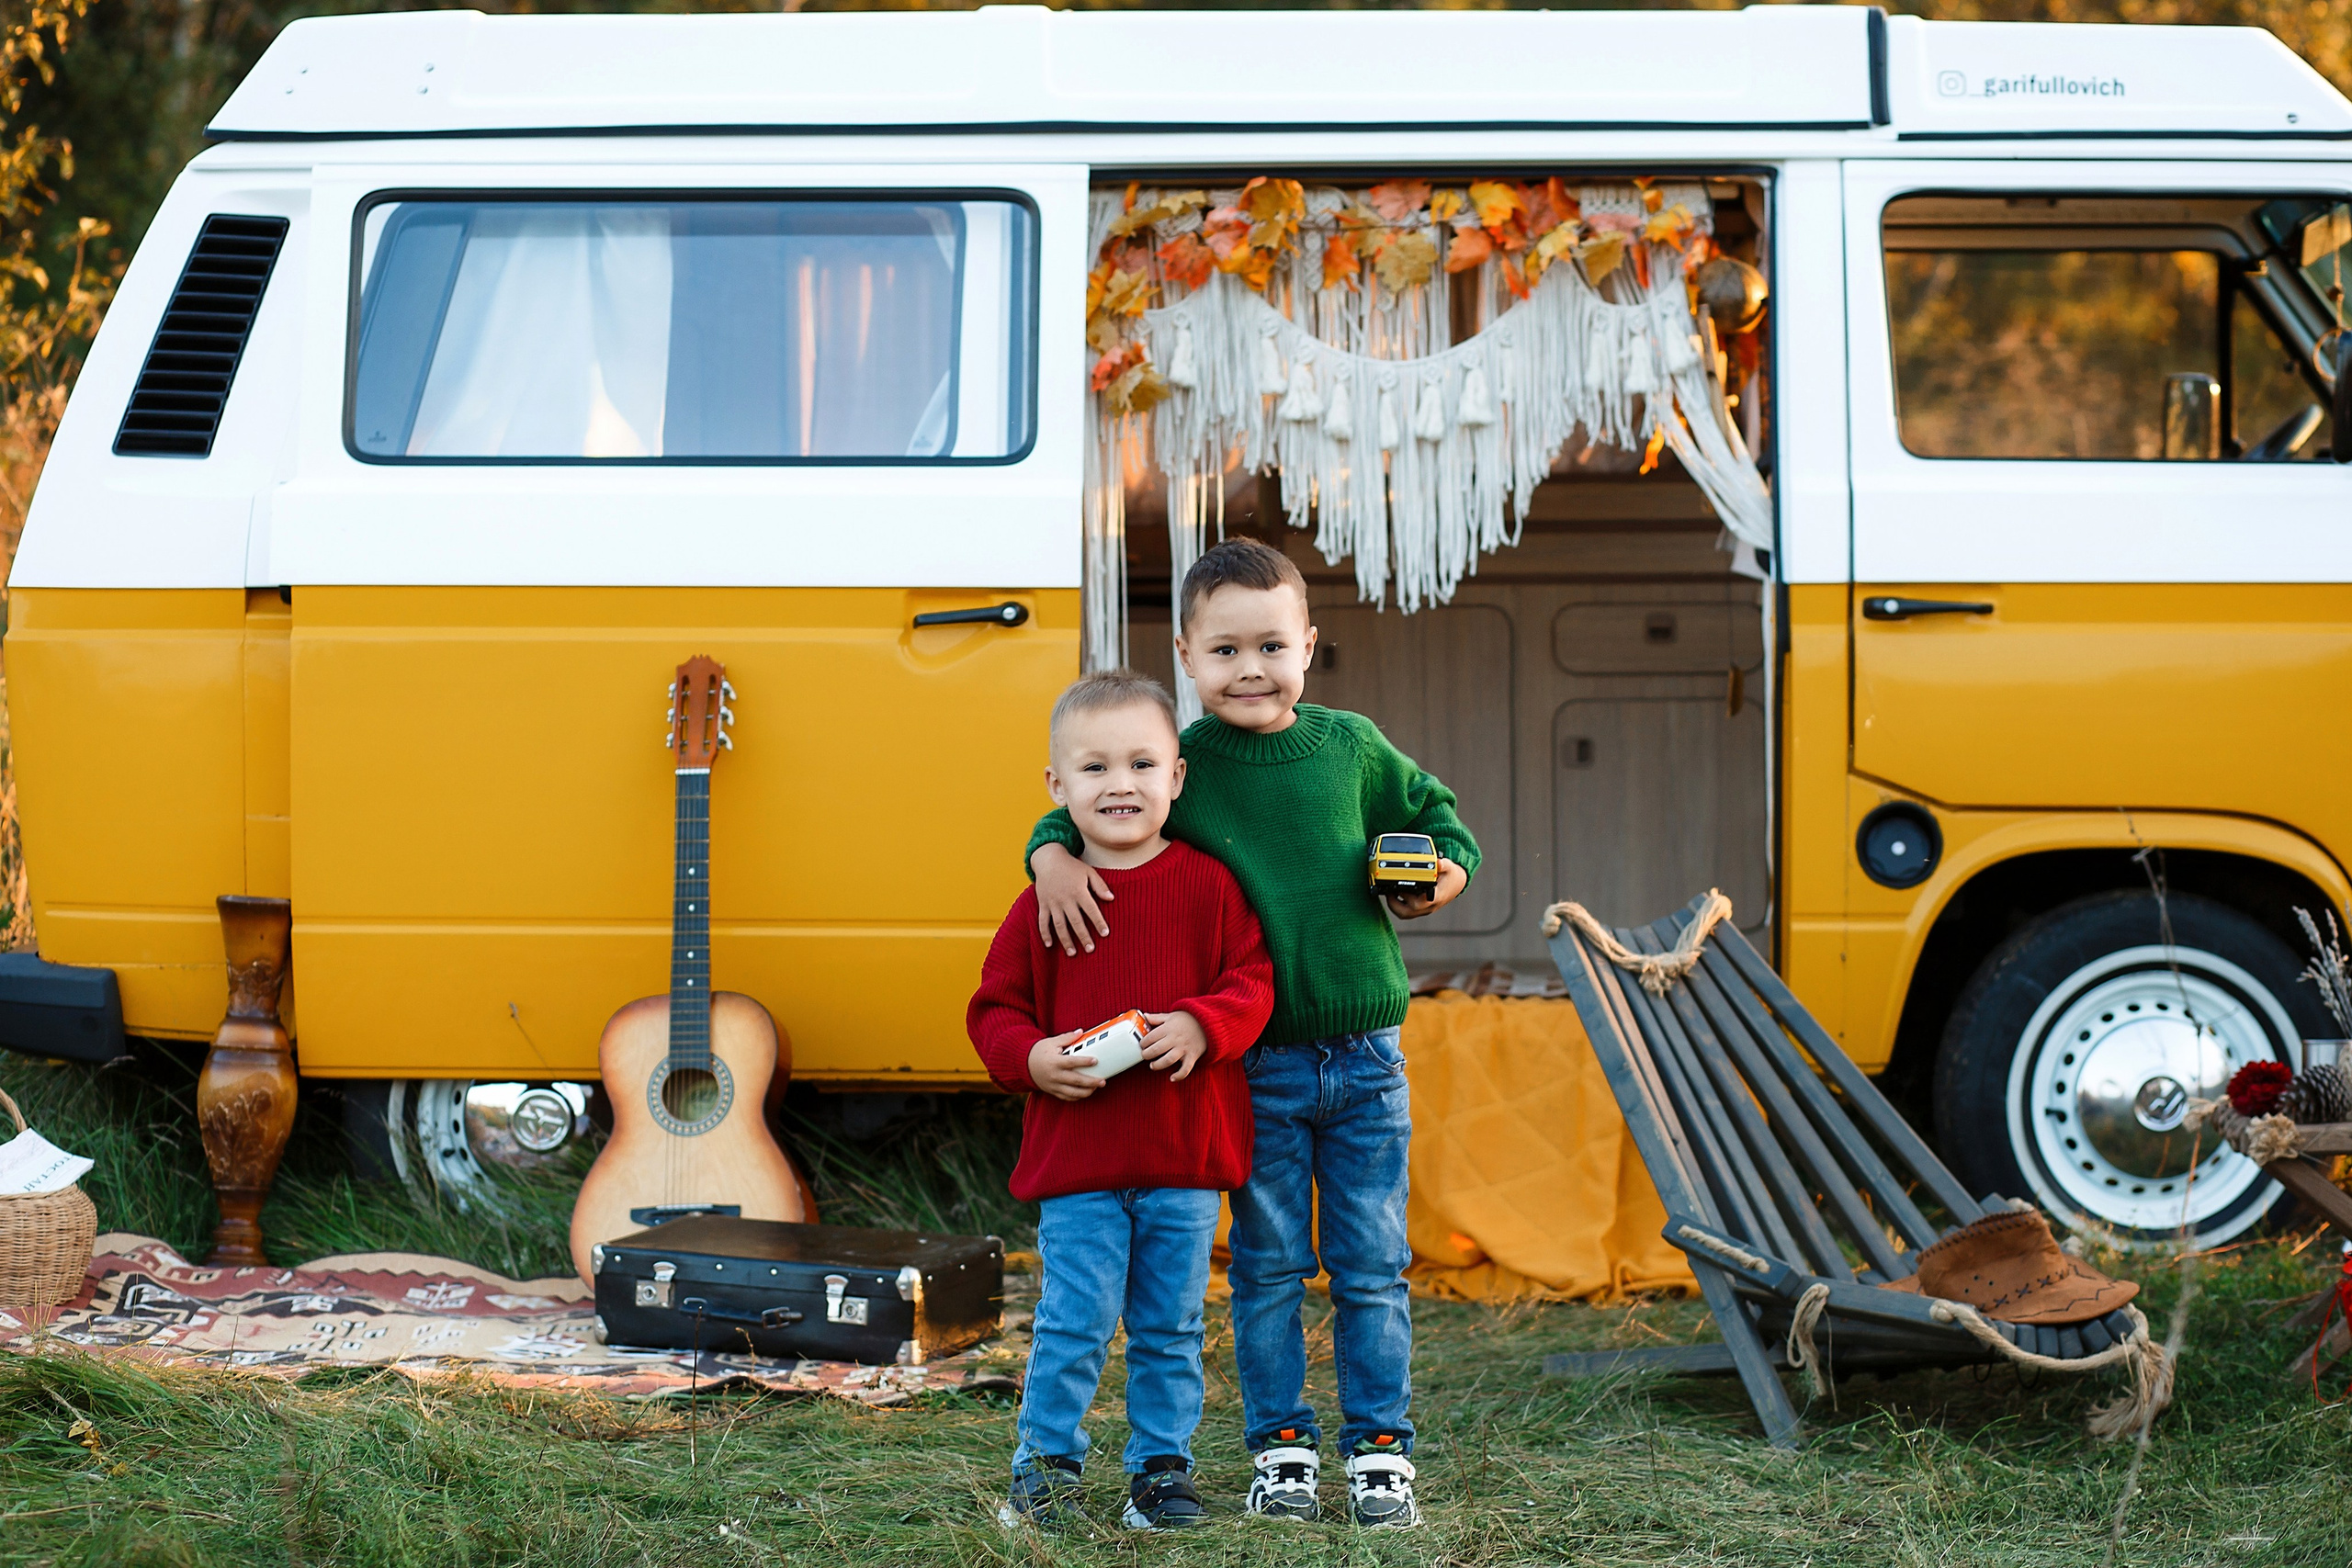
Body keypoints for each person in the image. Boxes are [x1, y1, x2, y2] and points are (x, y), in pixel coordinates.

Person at [1025, 537, 1478, 1530]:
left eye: (1270, 646)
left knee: (1370, 1261)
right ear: (1187, 655)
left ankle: (1379, 1450)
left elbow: (1443, 826)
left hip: (1365, 1061)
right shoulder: (1186, 769)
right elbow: (1101, 805)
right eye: (1224, 651)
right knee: (1268, 1265)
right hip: (1253, 1062)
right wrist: (1046, 854)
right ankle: (1280, 1447)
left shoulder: (1352, 747)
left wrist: (1437, 874)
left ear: (1308, 645)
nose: (1250, 671)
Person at [967, 669, 1274, 1532]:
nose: (1121, 785)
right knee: (1073, 1322)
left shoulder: (1210, 887)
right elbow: (994, 1011)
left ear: (1177, 776)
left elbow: (1255, 979)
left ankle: (1161, 1470)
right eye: (1095, 768)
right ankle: (1046, 1467)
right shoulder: (1044, 901)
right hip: (1081, 1165)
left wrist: (1204, 1023)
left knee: (1171, 1328)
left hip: (1181, 1156)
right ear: (1058, 788)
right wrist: (1031, 1058)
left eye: (1142, 764)